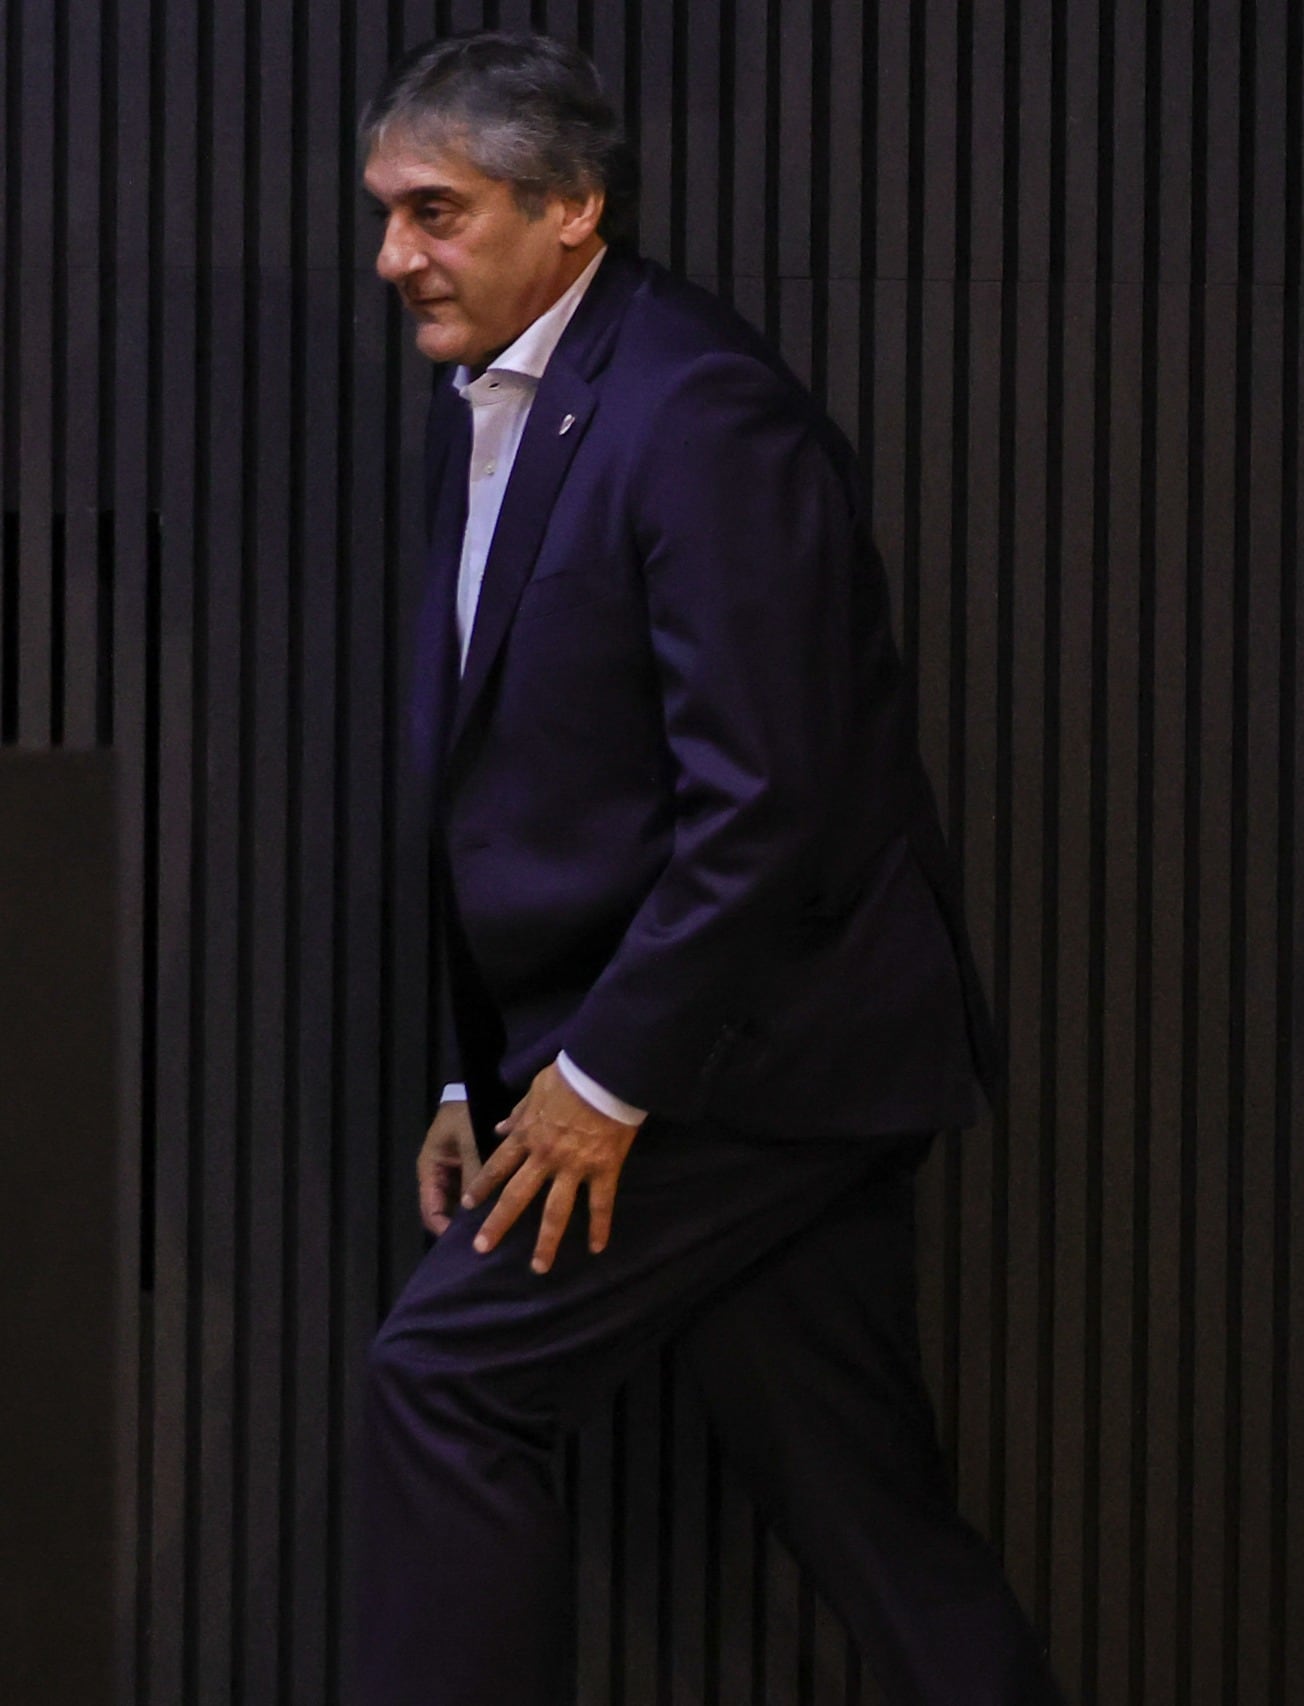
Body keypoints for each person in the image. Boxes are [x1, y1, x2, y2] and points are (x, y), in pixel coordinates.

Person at [350, 33, 1057, 1706]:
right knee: (868, 1511)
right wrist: (473, 1069)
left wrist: (598, 1082)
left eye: (435, 211)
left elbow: (772, 800)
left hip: (747, 1058)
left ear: (572, 207)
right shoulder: (506, 398)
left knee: (447, 1379)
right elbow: (513, 784)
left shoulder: (700, 412)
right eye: (385, 213)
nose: (392, 256)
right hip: (708, 1057)